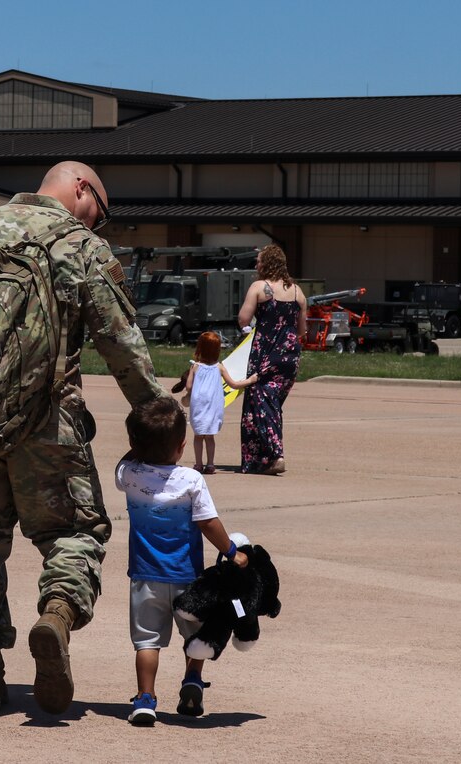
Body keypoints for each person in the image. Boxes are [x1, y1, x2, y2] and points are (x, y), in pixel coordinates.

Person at [0, 162, 165, 714]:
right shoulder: (76, 244)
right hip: (46, 422)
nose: (97, 226)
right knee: (73, 533)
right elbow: (121, 342)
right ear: (82, 188)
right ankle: (55, 616)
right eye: (100, 213)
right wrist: (155, 423)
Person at [116, 396, 248, 726]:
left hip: (146, 578)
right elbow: (208, 523)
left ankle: (145, 698)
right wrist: (232, 552)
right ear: (182, 445)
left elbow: (125, 461)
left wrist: (137, 446)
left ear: (134, 443)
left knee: (147, 642)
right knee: (197, 636)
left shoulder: (129, 475)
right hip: (188, 578)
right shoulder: (191, 480)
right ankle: (191, 680)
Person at [237, 244, 307, 475]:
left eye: (259, 260)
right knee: (270, 405)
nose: (256, 264)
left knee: (261, 404)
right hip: (290, 356)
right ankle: (263, 458)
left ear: (268, 263)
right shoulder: (298, 292)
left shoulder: (260, 287)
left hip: (266, 354)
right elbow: (301, 330)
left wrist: (257, 330)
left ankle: (275, 455)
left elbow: (243, 319)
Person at [182, 331, 258, 473]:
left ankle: (198, 464)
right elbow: (234, 385)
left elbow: (189, 387)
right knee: (210, 437)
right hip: (213, 406)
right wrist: (250, 380)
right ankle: (210, 464)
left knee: (198, 436)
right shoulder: (219, 367)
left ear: (200, 348)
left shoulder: (196, 367)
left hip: (199, 405)